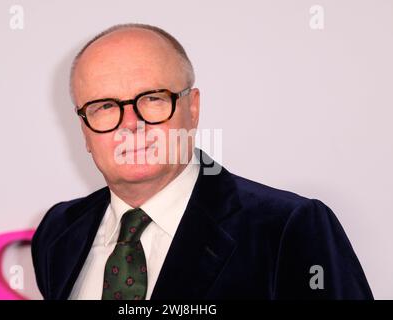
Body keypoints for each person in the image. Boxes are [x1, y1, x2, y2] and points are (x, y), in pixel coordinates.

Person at [31, 23, 373, 300]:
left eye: (151, 99)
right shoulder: (59, 231)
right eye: (104, 106)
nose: (130, 124)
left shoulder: (286, 229)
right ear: (84, 130)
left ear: (192, 109)